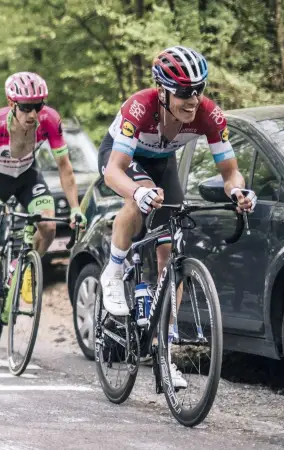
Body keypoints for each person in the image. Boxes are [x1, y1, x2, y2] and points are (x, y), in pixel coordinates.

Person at [99, 46, 257, 388]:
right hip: (123, 160)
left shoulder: (209, 115)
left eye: (199, 89)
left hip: (162, 162)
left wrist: (237, 193)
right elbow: (115, 171)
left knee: (170, 255)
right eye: (184, 91)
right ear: (162, 90)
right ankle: (113, 271)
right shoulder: (139, 107)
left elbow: (231, 173)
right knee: (138, 197)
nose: (193, 99)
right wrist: (138, 191)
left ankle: (163, 354)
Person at [0, 72, 86, 350]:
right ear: (12, 104)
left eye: (38, 106)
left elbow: (64, 168)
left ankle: (26, 268)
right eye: (26, 107)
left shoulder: (49, 120)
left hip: (27, 177)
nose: (33, 114)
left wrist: (75, 208)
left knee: (47, 226)